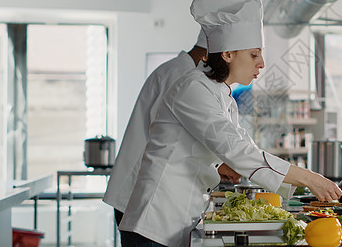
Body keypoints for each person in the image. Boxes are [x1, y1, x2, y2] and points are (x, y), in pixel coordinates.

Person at [118, 0, 342, 247]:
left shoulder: (222, 95)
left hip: (176, 221)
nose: (261, 63)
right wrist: (310, 179)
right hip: (153, 224)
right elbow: (237, 151)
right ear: (227, 54)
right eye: (254, 54)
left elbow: (241, 149)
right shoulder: (193, 88)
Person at [103, 31, 241, 227]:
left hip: (146, 196)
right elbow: (176, 137)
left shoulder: (184, 73)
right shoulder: (179, 75)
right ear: (212, 54)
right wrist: (221, 164)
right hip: (136, 194)